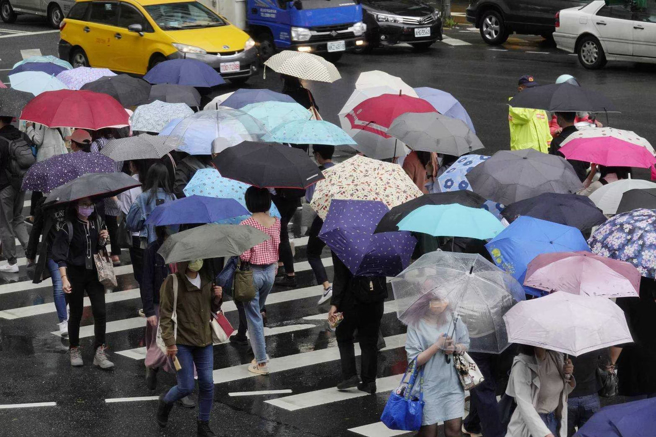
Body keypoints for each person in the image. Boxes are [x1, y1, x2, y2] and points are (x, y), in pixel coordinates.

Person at [156, 259, 223, 437]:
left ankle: (203, 424)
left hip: (204, 340)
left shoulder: (207, 279)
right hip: (182, 342)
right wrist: (170, 343)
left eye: (200, 257)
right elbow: (165, 315)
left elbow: (212, 309)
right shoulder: (172, 282)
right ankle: (165, 402)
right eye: (192, 258)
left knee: (207, 384)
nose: (197, 261)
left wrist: (217, 297)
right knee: (186, 387)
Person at [51, 197, 114, 369]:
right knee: (76, 313)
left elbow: (99, 248)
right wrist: (64, 278)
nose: (88, 208)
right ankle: (74, 348)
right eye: (84, 205)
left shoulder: (97, 221)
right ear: (76, 206)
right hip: (75, 274)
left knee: (100, 311)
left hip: (94, 273)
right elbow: (60, 256)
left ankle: (100, 351)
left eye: (90, 204)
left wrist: (103, 239)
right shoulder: (68, 227)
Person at [405, 294, 470, 437]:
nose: (439, 304)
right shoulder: (416, 325)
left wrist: (454, 348)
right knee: (429, 433)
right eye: (435, 300)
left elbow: (465, 344)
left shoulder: (454, 319)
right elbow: (414, 360)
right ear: (425, 302)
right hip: (427, 386)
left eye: (442, 300)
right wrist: (437, 346)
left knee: (454, 431)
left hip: (452, 384)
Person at [328, 254, 387, 394]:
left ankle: (350, 375)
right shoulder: (381, 242)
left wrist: (334, 304)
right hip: (375, 298)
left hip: (350, 300)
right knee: (370, 341)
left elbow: (340, 277)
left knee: (343, 336)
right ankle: (369, 381)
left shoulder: (342, 242)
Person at [239, 187, 280, 375]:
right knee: (257, 311)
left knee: (253, 316)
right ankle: (259, 351)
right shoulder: (276, 222)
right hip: (270, 273)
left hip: (253, 274)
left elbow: (245, 255)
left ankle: (261, 361)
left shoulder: (246, 224)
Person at [505, 345, 575, 437]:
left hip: (554, 419)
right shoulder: (521, 364)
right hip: (532, 425)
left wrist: (568, 375)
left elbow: (562, 392)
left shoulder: (556, 357)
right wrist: (545, 434)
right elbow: (524, 404)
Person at [26, 196, 69, 336]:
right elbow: (36, 228)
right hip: (53, 251)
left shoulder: (72, 199)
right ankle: (63, 320)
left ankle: (66, 307)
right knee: (59, 285)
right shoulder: (44, 203)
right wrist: (31, 253)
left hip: (72, 250)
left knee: (71, 284)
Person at [609, 278, 656, 401]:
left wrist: (611, 362)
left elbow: (622, 328)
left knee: (636, 411)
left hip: (636, 363)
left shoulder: (628, 291)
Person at [0, 116, 32, 273]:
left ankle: (12, 262)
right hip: (21, 183)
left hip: (4, 186)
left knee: (5, 223)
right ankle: (31, 255)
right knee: (18, 219)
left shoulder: (1, 139)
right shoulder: (21, 135)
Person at [305, 145, 335, 304]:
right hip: (340, 217)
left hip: (323, 218)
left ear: (317, 155)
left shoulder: (316, 174)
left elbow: (310, 199)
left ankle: (326, 285)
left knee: (312, 253)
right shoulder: (341, 171)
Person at [24, 122, 71, 222]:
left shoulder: (41, 120)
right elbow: (67, 137)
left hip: (46, 157)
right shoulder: (62, 117)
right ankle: (52, 216)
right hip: (60, 156)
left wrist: (29, 128)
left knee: (43, 189)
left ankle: (43, 218)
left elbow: (37, 140)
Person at [117, 160, 153, 286]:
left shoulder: (128, 185)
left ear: (132, 165)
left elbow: (126, 213)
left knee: (141, 275)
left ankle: (147, 303)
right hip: (154, 234)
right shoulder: (152, 182)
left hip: (137, 236)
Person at [127, 162, 177, 248]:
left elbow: (132, 224)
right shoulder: (172, 197)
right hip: (169, 245)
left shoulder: (143, 198)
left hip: (149, 244)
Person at [567, 350, 608, 436]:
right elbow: (604, 365)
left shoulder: (562, 347)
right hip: (591, 394)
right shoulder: (594, 343)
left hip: (567, 396)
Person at [508, 76, 552, 154]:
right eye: (529, 87)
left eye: (534, 87)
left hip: (542, 152)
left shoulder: (539, 105)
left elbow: (546, 129)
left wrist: (549, 148)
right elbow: (525, 117)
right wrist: (532, 102)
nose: (533, 90)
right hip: (523, 153)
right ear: (520, 89)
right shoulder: (514, 103)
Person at [549, 112, 588, 182]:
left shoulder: (557, 141)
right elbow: (587, 164)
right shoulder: (583, 137)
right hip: (581, 180)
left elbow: (553, 166)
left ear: (560, 119)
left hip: (564, 182)